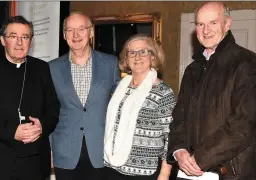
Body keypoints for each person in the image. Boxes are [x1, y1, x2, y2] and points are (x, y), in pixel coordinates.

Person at [167, 2, 256, 180]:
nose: (206, 30)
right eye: (200, 24)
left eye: (213, 23)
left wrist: (198, 159)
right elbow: (179, 117)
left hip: (229, 173)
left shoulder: (247, 63)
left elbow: (243, 125)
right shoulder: (193, 69)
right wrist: (178, 150)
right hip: (189, 171)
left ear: (227, 23)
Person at [0, 16, 60, 180]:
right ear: (3, 40)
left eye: (25, 37)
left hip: (35, 163)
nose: (19, 43)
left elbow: (53, 109)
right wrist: (12, 131)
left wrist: (42, 127)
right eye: (13, 36)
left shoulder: (41, 68)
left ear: (30, 41)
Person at [49, 11, 121, 180]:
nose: (76, 35)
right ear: (64, 34)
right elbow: (47, 111)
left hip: (101, 151)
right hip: (64, 152)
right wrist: (49, 149)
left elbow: (122, 102)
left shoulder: (110, 63)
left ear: (91, 32)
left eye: (81, 29)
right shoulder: (51, 68)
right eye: (70, 30)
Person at [103, 34, 175, 180]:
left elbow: (171, 136)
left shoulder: (163, 92)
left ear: (153, 56)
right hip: (112, 168)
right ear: (126, 59)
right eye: (132, 52)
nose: (137, 57)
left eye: (143, 52)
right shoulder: (119, 88)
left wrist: (165, 173)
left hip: (144, 172)